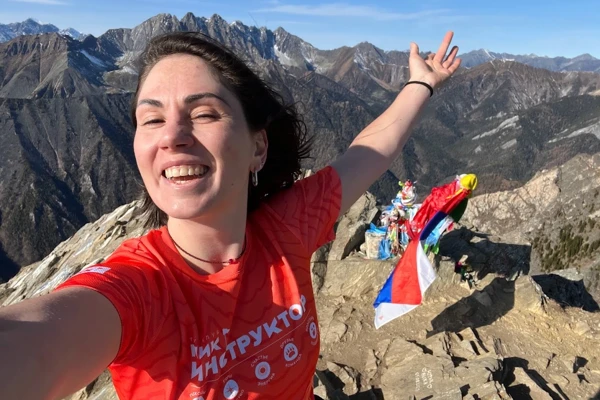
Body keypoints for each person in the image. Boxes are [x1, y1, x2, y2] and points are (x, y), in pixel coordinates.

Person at [0, 30, 461, 399]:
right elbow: (38, 343)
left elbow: (370, 151)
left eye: (204, 113)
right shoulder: (138, 289)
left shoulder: (287, 229)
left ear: (257, 146)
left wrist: (422, 83)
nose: (172, 136)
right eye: (152, 119)